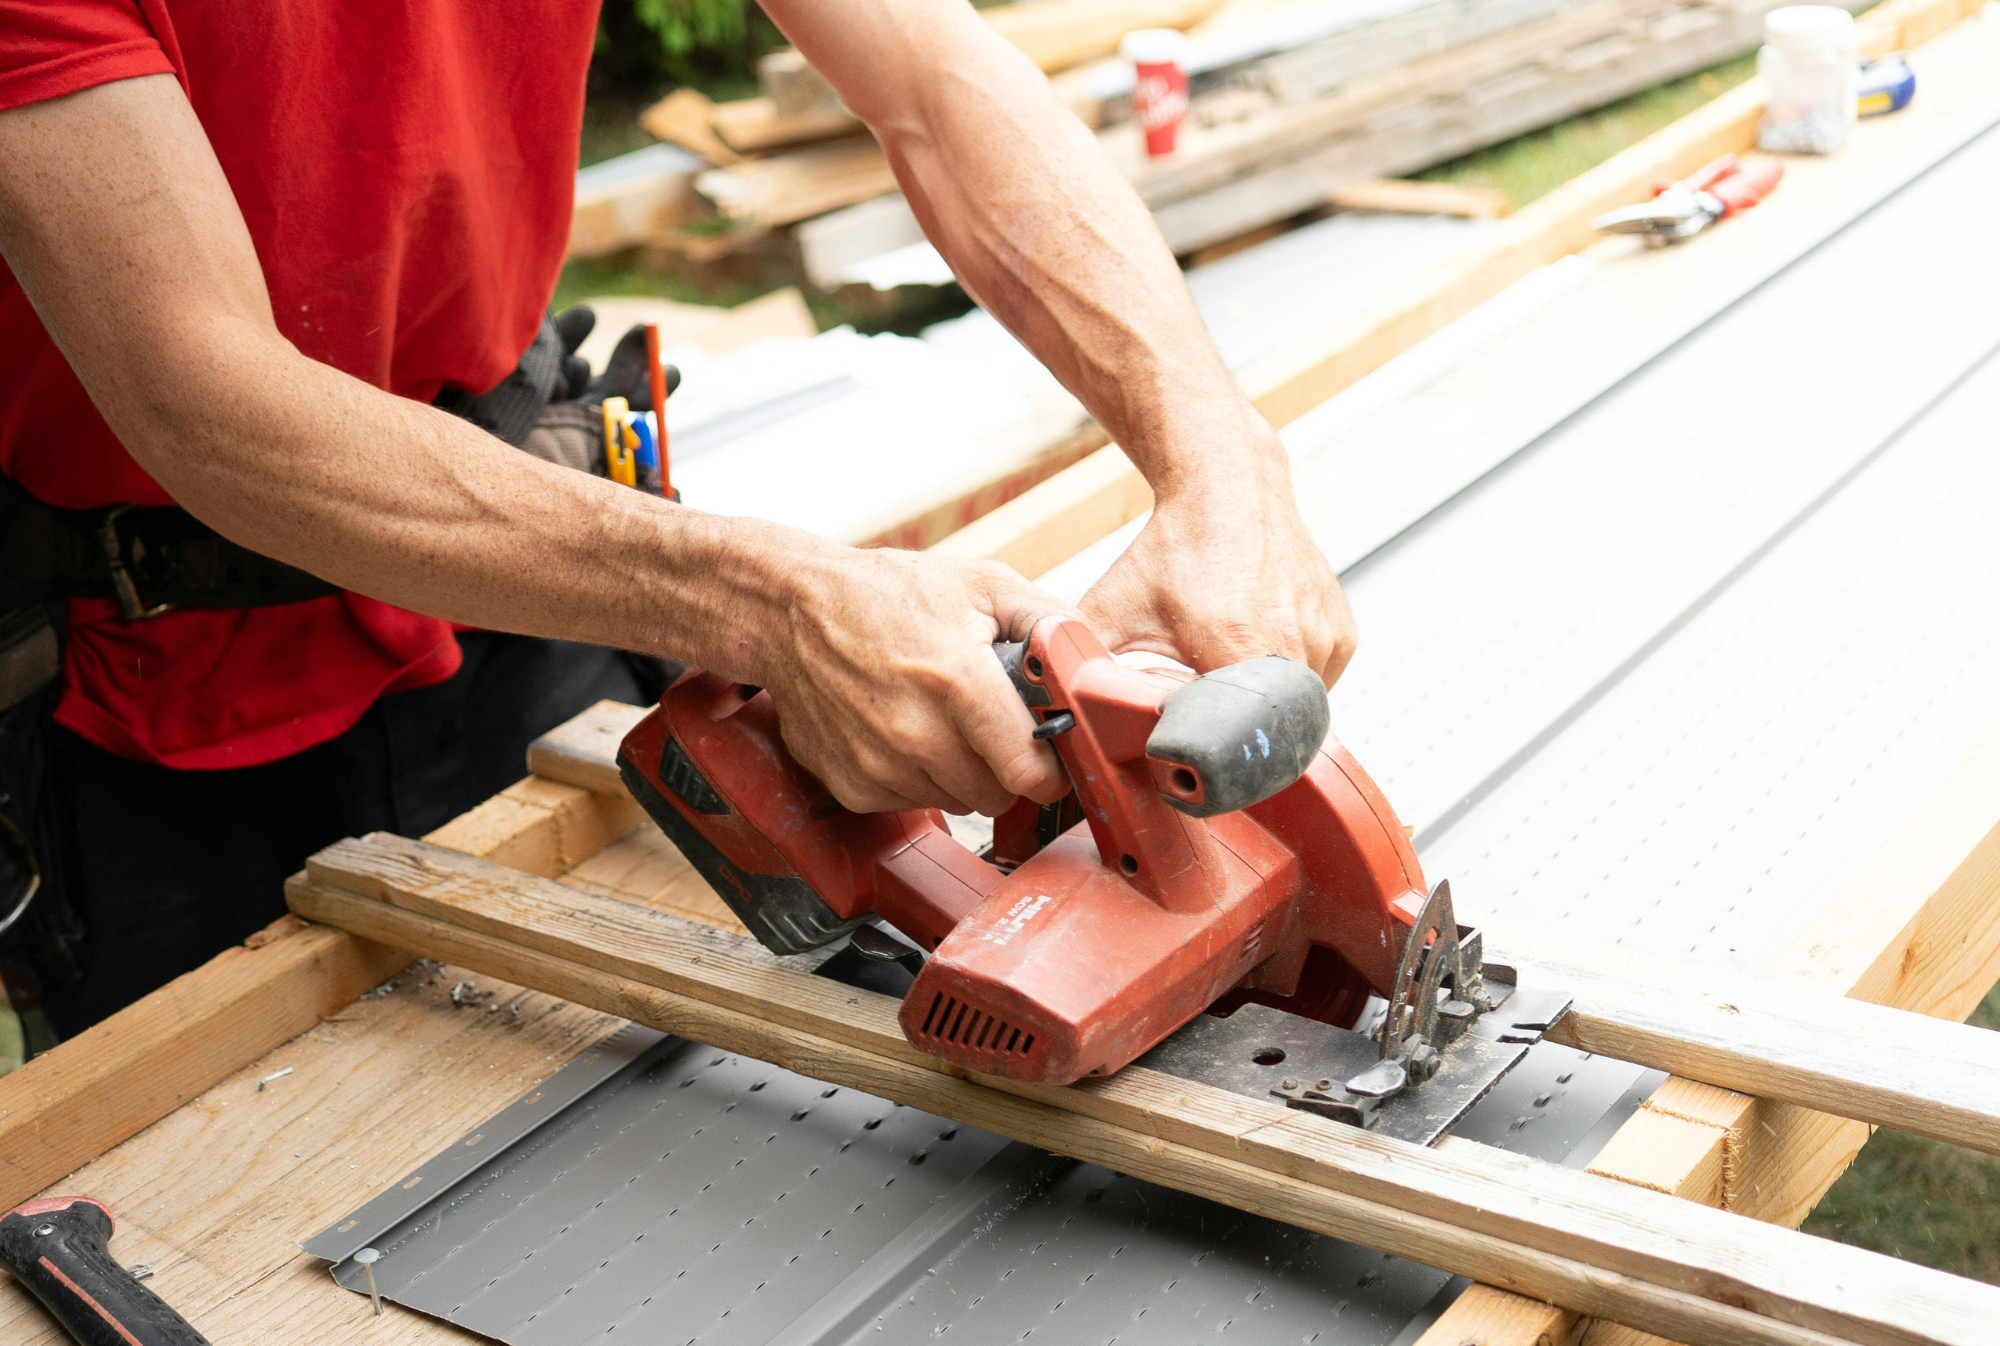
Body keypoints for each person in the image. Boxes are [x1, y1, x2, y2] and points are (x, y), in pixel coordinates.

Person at [0, 0, 1356, 1041]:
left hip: (520, 561)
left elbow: (939, 86)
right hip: (145, 686)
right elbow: (203, 397)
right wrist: (773, 602)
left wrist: (1222, 459)